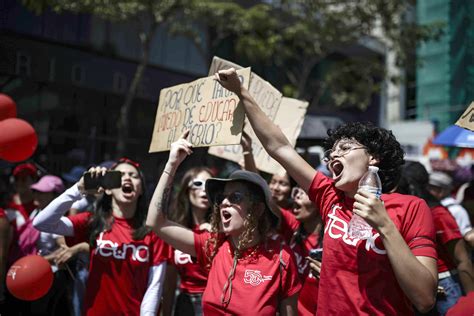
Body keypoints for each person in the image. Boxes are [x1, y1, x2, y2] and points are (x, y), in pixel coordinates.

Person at [214, 68, 438, 315]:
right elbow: (279, 146)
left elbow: (425, 298)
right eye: (332, 153)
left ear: (373, 158)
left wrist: (384, 225)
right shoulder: (330, 197)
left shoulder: (412, 208)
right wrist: (241, 91)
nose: (334, 156)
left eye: (345, 148)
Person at [146, 132, 301, 315]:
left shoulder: (281, 259)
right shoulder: (213, 245)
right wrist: (171, 164)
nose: (225, 203)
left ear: (258, 209)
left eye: (235, 197)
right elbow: (155, 222)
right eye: (221, 198)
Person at [33, 158, 168, 316]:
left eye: (133, 175)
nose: (127, 178)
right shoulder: (92, 222)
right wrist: (79, 189)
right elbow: (42, 223)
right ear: (108, 189)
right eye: (120, 175)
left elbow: (155, 285)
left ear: (141, 190)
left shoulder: (152, 231)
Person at [397, 162, 474, 315]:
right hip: (416, 285)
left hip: (445, 286)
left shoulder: (438, 214)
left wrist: (471, 301)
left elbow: (462, 260)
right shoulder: (402, 212)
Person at [162, 166, 213, 316]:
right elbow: (170, 281)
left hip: (214, 302)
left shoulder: (225, 229)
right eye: (198, 184)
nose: (204, 189)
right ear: (186, 190)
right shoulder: (175, 231)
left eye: (209, 184)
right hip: (184, 304)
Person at [280, 186, 323, 315]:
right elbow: (268, 202)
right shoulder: (294, 227)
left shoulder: (334, 240)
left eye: (304, 193)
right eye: (296, 191)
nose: (297, 196)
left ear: (320, 203)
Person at [428, 172, 473, 237]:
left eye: (432, 188)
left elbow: (466, 233)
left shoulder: (456, 210)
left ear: (441, 191)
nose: (428, 191)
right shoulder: (430, 205)